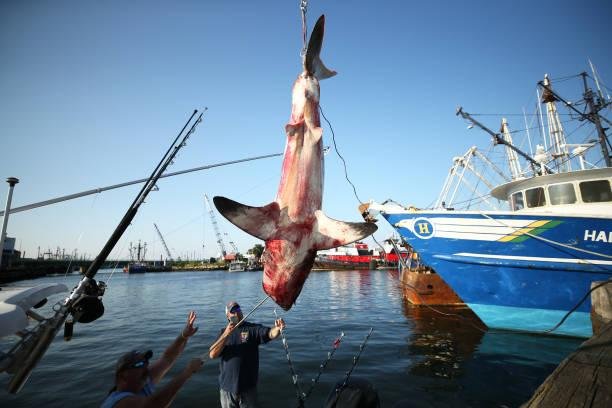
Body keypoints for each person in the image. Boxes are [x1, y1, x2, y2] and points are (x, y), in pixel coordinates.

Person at [101, 311, 204, 408]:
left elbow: (168, 358)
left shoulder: (143, 383)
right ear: (123, 376)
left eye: (145, 361)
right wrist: (187, 372)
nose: (146, 365)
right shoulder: (118, 401)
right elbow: (155, 404)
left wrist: (183, 336)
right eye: (139, 364)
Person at [209, 300, 285, 408]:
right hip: (227, 389)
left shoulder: (251, 329)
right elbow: (212, 354)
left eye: (238, 309)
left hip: (248, 388)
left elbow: (269, 334)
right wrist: (226, 333)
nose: (236, 312)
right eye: (232, 311)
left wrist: (277, 328)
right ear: (227, 315)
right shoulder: (222, 333)